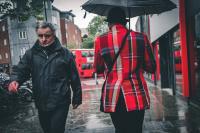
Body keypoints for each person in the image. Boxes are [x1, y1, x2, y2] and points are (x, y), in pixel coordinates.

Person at [8, 22, 82, 133]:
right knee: (47, 130)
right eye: (40, 36)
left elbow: (74, 77)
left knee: (56, 130)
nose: (43, 39)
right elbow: (21, 70)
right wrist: (15, 80)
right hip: (41, 101)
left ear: (53, 34)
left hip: (60, 101)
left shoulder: (65, 54)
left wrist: (77, 97)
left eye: (47, 36)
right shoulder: (31, 54)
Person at [94, 7, 156, 133]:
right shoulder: (141, 38)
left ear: (109, 23)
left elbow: (98, 68)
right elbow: (152, 67)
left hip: (113, 95)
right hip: (136, 94)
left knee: (120, 129)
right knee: (136, 129)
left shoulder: (100, 40)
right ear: (125, 22)